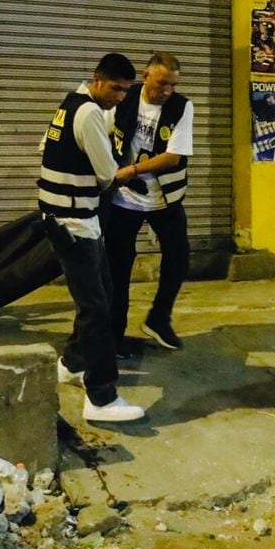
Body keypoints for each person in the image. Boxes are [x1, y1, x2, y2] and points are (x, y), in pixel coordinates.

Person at [39, 54, 145, 423]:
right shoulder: (88, 114)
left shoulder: (69, 106)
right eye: (116, 88)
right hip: (74, 224)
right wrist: (126, 170)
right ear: (97, 79)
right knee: (97, 309)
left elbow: (46, 149)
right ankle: (101, 398)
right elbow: (107, 174)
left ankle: (72, 363)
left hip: (75, 220)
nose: (120, 97)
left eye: (126, 91)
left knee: (101, 295)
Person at [106, 52, 195, 354]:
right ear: (145, 77)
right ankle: (114, 334)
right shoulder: (124, 96)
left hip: (164, 197)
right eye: (161, 84)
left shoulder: (182, 107)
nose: (167, 91)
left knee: (179, 256)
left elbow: (173, 156)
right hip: (123, 197)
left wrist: (131, 170)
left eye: (172, 85)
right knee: (118, 266)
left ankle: (158, 318)